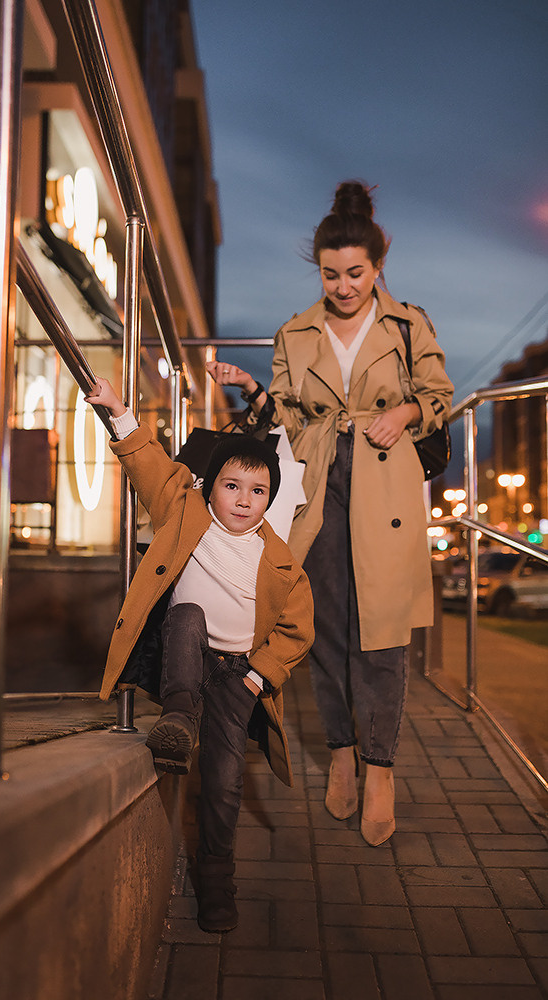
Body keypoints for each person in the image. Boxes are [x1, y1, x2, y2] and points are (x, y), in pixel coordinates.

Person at [207, 180, 453, 847]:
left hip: (386, 487)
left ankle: (380, 770)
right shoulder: (295, 331)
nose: (343, 287)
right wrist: (253, 389)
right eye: (330, 274)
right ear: (317, 269)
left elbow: (439, 395)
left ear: (377, 266)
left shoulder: (407, 325)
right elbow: (288, 419)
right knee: (325, 633)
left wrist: (405, 411)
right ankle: (341, 753)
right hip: (318, 487)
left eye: (355, 273)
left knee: (383, 636)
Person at [84, 377, 314, 931]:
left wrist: (257, 678)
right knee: (186, 614)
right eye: (232, 486)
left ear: (270, 499)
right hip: (187, 657)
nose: (244, 500)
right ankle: (180, 717)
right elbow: (150, 467)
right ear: (210, 486)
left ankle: (216, 881)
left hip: (238, 676)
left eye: (257, 491)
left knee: (225, 780)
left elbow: (296, 632)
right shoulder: (186, 513)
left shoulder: (282, 563)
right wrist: (119, 410)